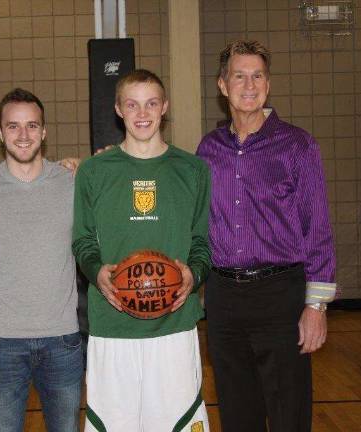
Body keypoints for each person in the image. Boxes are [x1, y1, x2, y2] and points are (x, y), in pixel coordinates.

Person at [196, 40, 336, 432]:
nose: (249, 85)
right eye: (239, 76)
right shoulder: (208, 150)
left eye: (257, 76)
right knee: (239, 414)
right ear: (223, 86)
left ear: (268, 85)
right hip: (224, 300)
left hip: (280, 297)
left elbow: (318, 229)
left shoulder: (297, 145)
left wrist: (316, 307)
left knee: (289, 413)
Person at [73, 69, 211, 432]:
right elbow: (82, 241)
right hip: (112, 325)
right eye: (132, 104)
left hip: (175, 326)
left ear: (164, 107)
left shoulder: (193, 170)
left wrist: (192, 274)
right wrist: (96, 272)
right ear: (118, 109)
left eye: (151, 103)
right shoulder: (93, 171)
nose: (142, 113)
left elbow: (203, 243)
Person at [0, 88, 83, 432]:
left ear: (44, 132)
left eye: (32, 126)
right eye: (13, 126)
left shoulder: (72, 182)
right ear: (1, 133)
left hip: (62, 339)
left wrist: (90, 161)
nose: (23, 135)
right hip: (1, 343)